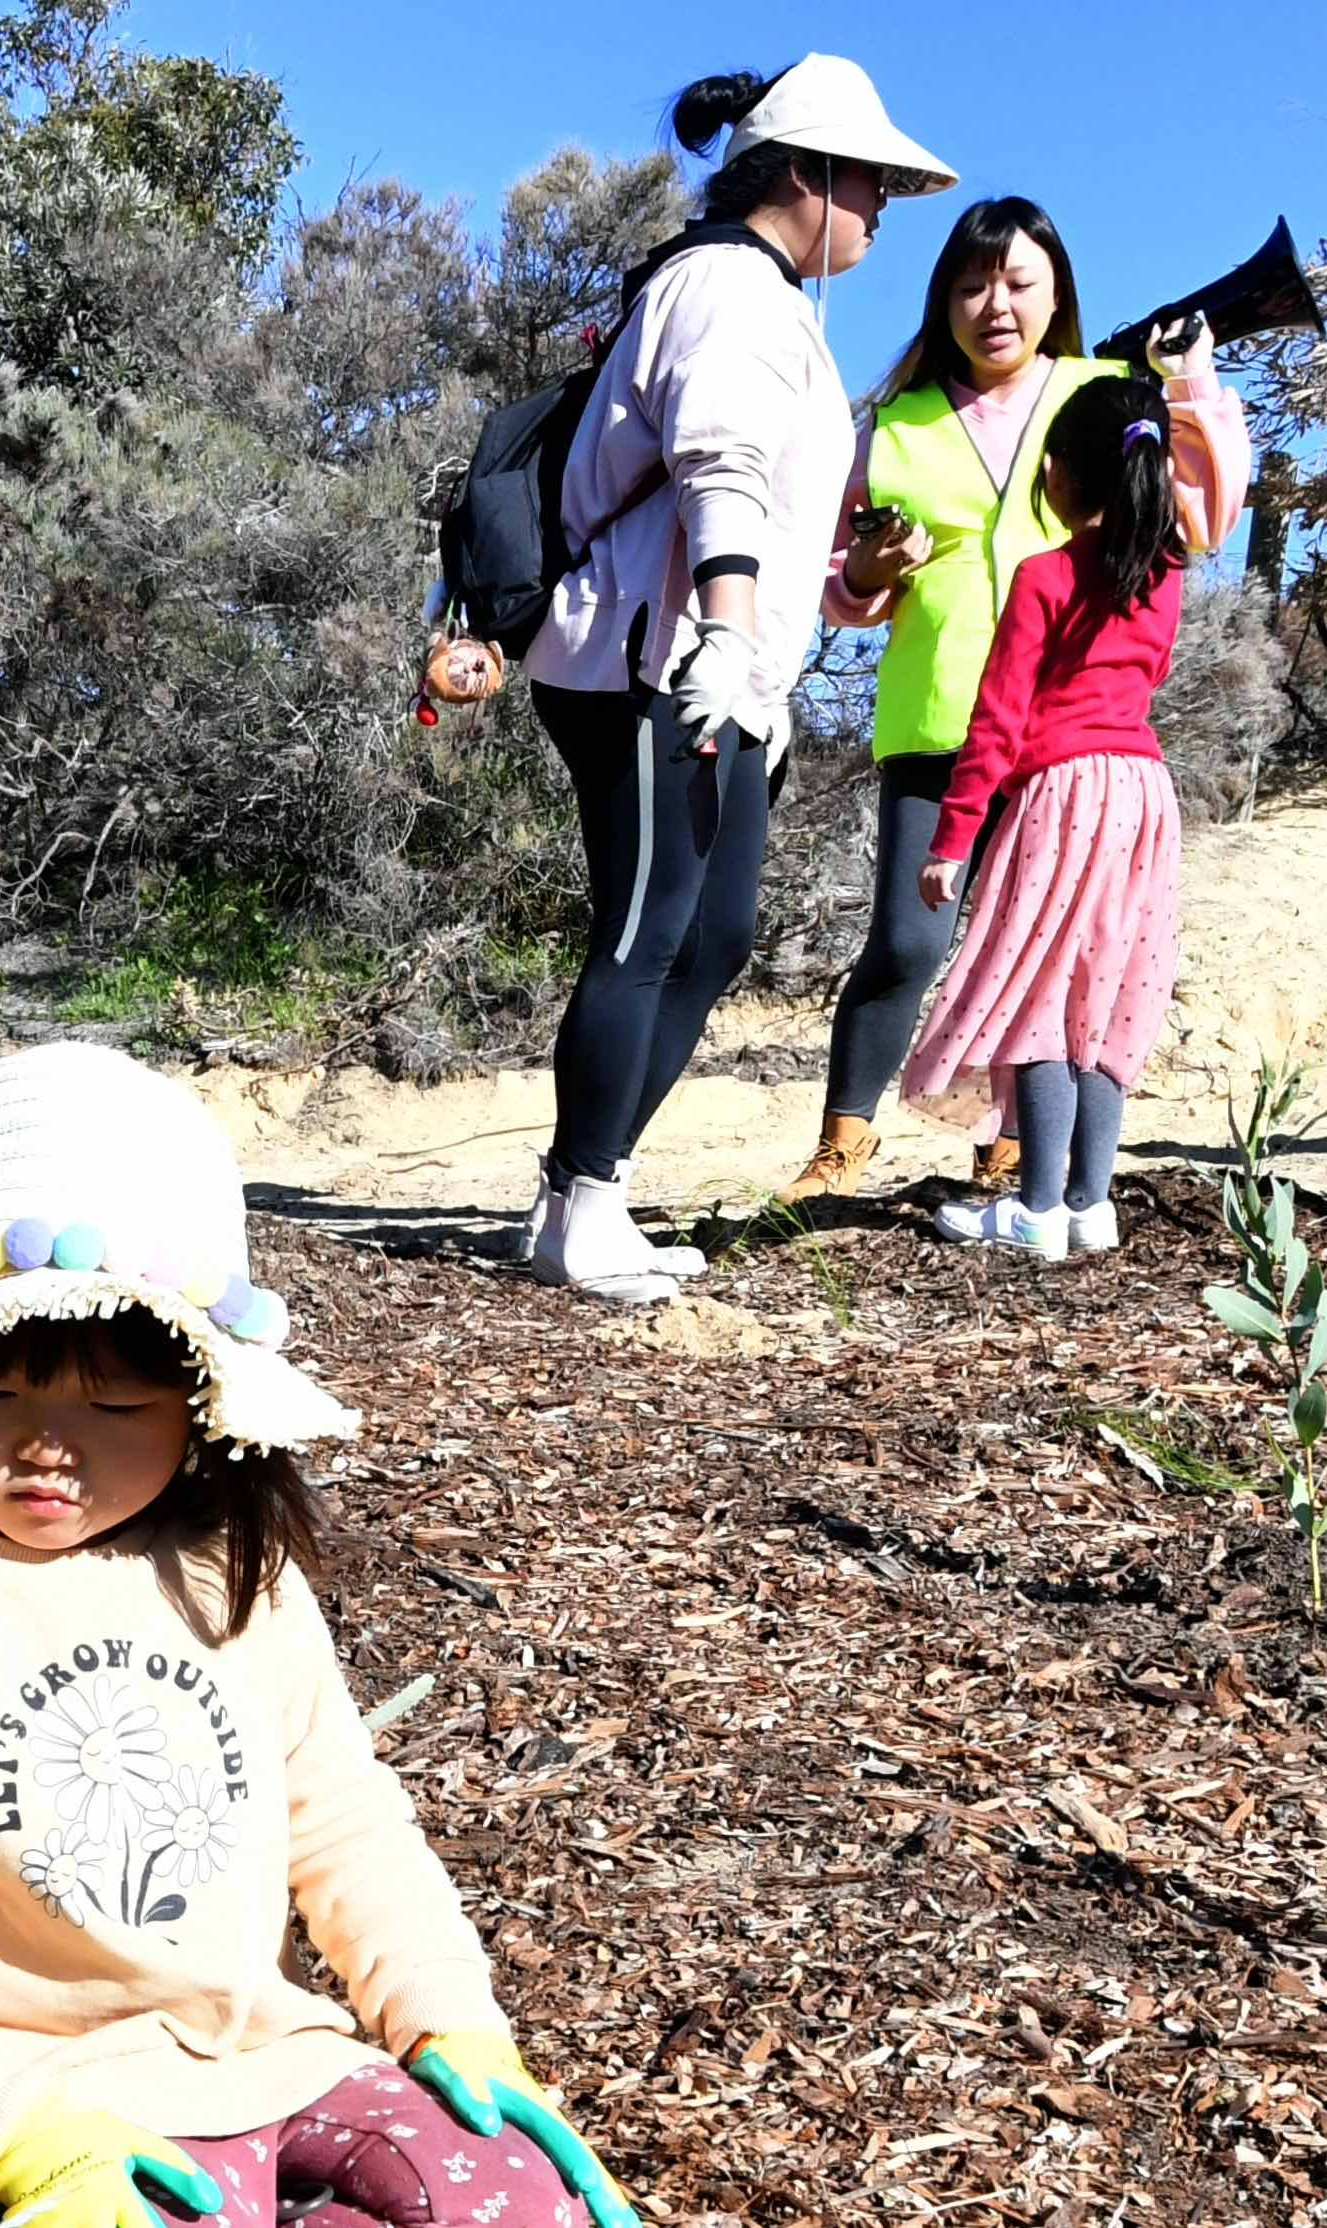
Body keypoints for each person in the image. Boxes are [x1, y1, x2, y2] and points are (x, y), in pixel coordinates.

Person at [0, 1045, 642, 2228]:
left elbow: (341, 1817)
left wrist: (453, 2023)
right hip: (46, 2095)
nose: (50, 1446)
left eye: (115, 1404)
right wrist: (13, 2126)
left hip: (259, 2056)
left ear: (201, 1411)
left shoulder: (229, 1572)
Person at [516, 54, 955, 1304]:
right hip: (653, 659)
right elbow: (714, 465)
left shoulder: (766, 300)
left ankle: (576, 1197)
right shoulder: (726, 289)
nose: (879, 211)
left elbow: (762, 498)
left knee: (710, 939)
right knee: (651, 927)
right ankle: (583, 1200)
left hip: (717, 670)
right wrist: (717, 631)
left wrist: (831, 583)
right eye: (870, 184)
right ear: (805, 175)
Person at [791, 197, 1253, 1206]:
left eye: (1015, 283)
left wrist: (1194, 383)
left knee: (1043, 953)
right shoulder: (897, 421)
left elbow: (1203, 517)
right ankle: (842, 1142)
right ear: (940, 297)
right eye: (967, 283)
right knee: (909, 939)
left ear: (1057, 294)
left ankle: (1010, 1156)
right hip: (936, 722)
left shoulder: (1105, 392)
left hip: (1062, 749)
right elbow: (841, 586)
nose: (990, 305)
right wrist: (866, 571)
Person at [899, 376, 1205, 1261]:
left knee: (1039, 996)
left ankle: (1035, 1209)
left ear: (1063, 475)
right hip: (1144, 796)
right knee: (1107, 999)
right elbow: (1145, 685)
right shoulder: (1167, 575)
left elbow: (998, 716)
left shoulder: (1046, 575)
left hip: (1062, 796)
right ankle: (1089, 1202)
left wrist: (953, 837)